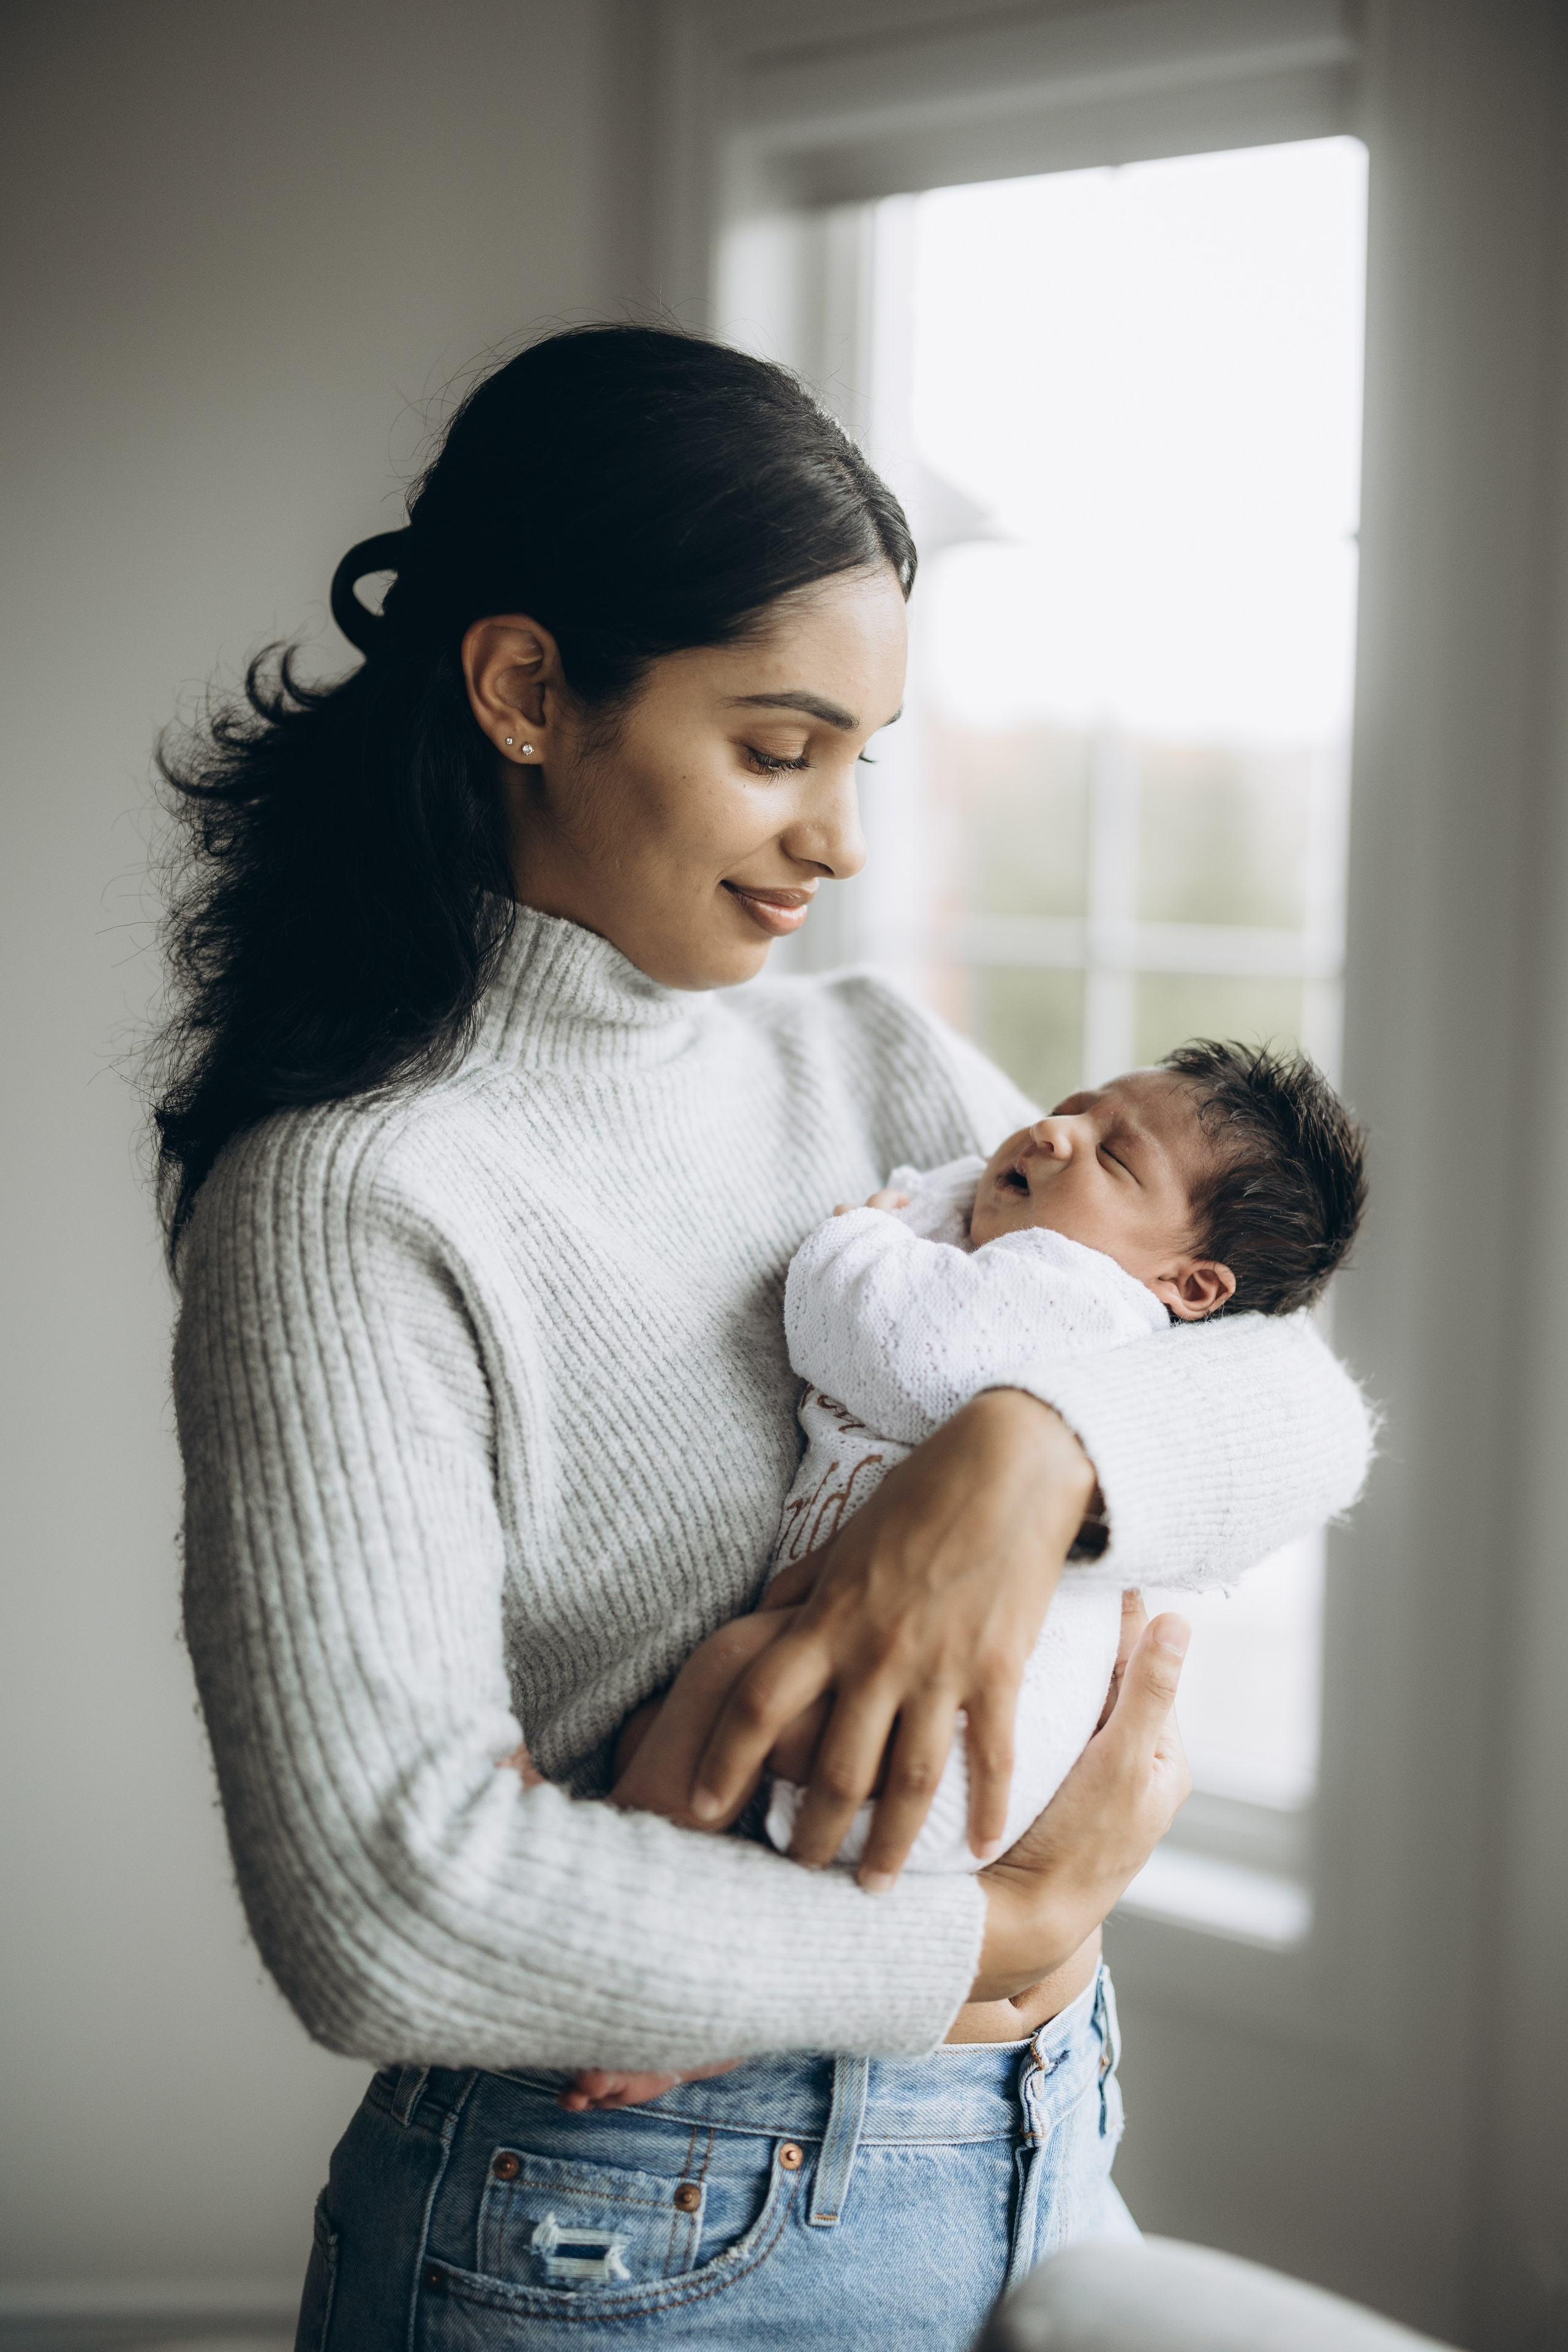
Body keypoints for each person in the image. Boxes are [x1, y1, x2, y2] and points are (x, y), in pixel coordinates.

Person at [155, 325, 1373, 2347]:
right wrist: (988, 1934)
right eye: (777, 749)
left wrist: (1024, 1464)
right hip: (627, 2223)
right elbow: (385, 1905)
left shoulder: (874, 1058)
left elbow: (1297, 1396)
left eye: (863, 758)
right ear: (525, 691)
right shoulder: (355, 1195)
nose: (843, 841)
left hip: (1046, 2133)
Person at [600, 1039, 1368, 1906]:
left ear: (1190, 1287)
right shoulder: (1046, 1248)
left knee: (719, 1686)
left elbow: (887, 1340)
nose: (1053, 1133)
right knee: (673, 1736)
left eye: (1115, 1158)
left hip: (941, 1728)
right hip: (963, 1760)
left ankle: (615, 1892)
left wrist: (860, 1233)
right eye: (1071, 1107)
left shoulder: (1078, 1300)